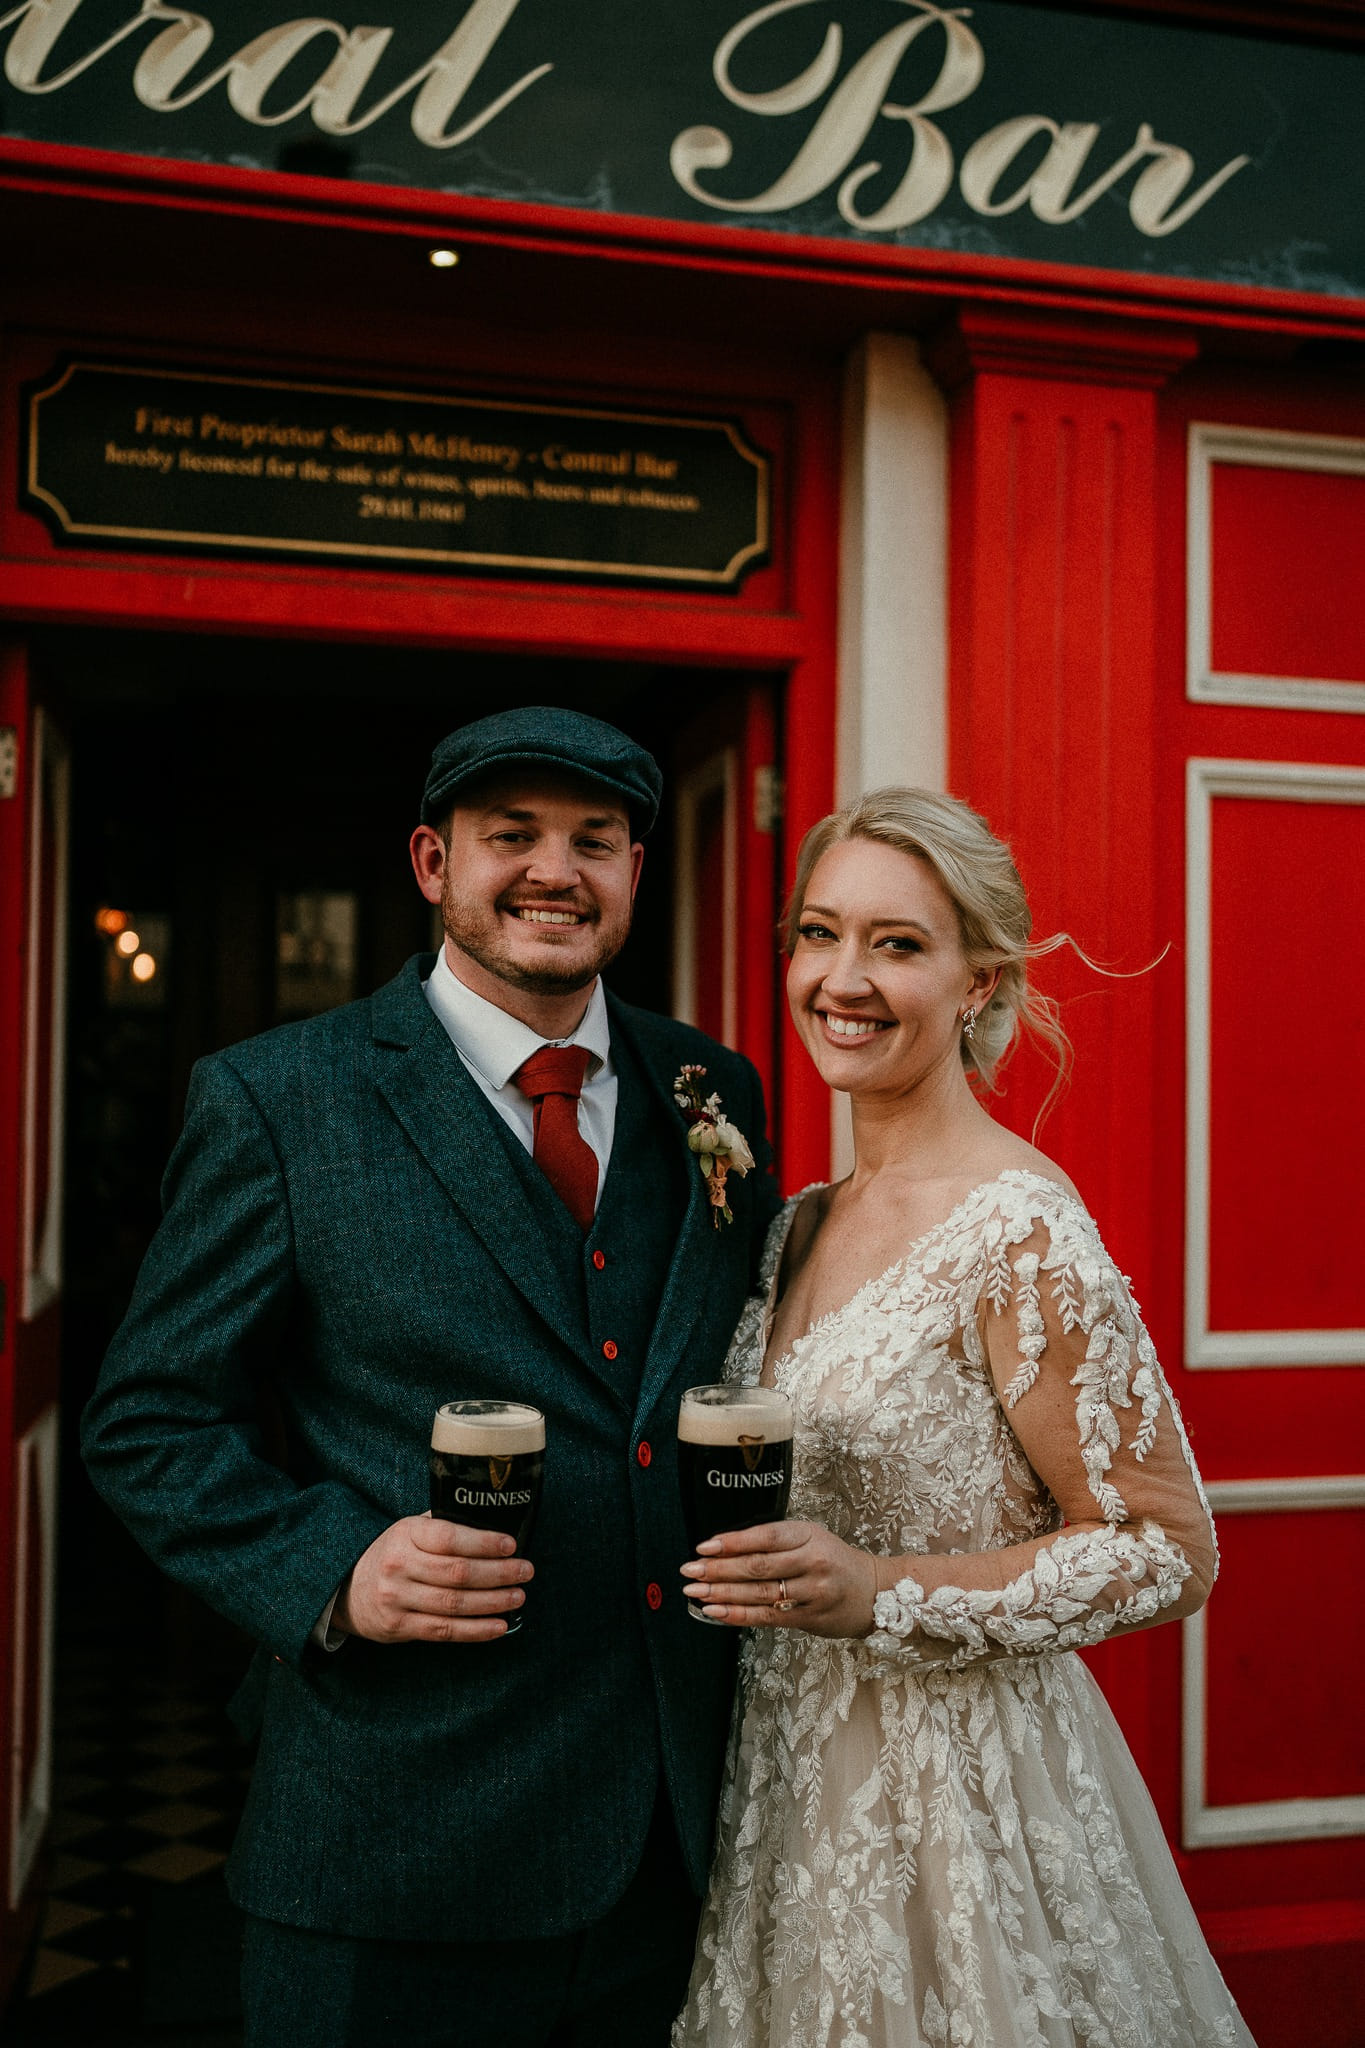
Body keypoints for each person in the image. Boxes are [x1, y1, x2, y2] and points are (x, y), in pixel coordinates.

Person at [81, 705, 781, 2048]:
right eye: (508, 837)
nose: (554, 872)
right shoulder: (279, 1099)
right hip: (400, 1841)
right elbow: (150, 1421)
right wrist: (333, 1572)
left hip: (672, 1836)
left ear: (637, 869)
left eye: (594, 840)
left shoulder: (715, 1087)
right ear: (429, 863)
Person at [673, 788, 1254, 2048]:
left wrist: (885, 1588)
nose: (843, 977)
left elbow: (1167, 1546)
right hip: (785, 1792)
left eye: (897, 943)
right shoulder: (794, 1219)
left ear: (979, 982)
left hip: (961, 1810)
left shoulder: (1018, 1224)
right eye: (820, 933)